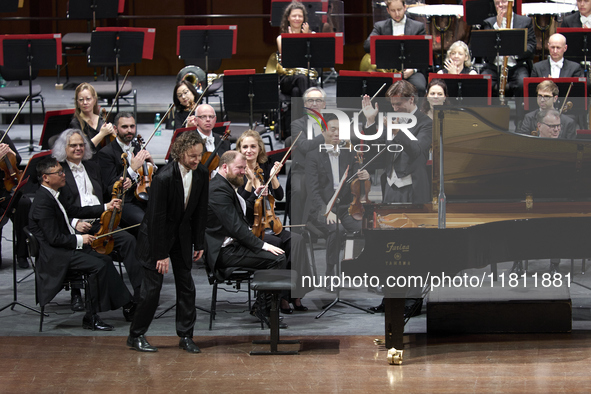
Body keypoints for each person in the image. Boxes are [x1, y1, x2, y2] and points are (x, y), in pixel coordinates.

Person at [28, 157, 132, 331]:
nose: (63, 175)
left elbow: (76, 211)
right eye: (59, 172)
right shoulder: (42, 203)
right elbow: (54, 239)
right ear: (46, 177)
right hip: (55, 255)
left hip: (64, 248)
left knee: (104, 259)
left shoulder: (53, 195)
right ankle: (92, 317)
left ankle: (127, 304)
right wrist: (80, 239)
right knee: (97, 266)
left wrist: (105, 206)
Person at [128, 131, 209, 353]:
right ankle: (136, 335)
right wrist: (160, 254)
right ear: (181, 153)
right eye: (192, 156)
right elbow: (156, 219)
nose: (196, 160)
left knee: (187, 286)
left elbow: (200, 211)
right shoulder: (163, 178)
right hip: (156, 237)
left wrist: (199, 242)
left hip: (181, 236)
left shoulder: (201, 173)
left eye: (199, 155)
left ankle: (186, 335)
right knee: (151, 290)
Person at [52, 128, 144, 316]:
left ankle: (142, 295)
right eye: (73, 145)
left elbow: (105, 191)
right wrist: (73, 222)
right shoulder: (57, 171)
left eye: (81, 145)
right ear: (64, 148)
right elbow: (54, 205)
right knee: (101, 259)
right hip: (77, 227)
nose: (78, 148)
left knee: (128, 241)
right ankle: (121, 303)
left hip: (101, 221)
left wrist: (125, 181)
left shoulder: (92, 166)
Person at [205, 151, 287, 327]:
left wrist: (255, 194)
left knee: (279, 245)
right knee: (277, 258)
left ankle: (264, 305)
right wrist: (262, 245)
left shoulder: (225, 184)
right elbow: (235, 227)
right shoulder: (218, 189)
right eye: (240, 168)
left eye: (244, 168)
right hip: (224, 251)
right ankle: (264, 310)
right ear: (225, 167)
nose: (244, 171)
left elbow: (239, 217)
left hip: (234, 243)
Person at [236, 130, 311, 313]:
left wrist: (274, 176)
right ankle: (281, 298)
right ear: (239, 149)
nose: (249, 150)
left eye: (253, 146)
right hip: (249, 229)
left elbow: (279, 196)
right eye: (245, 147)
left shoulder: (264, 169)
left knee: (298, 241)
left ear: (259, 148)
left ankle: (295, 294)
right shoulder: (236, 171)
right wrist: (249, 181)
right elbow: (240, 207)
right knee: (279, 244)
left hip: (269, 224)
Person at [303, 113, 370, 278]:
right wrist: (327, 210)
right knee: (337, 230)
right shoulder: (313, 156)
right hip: (321, 209)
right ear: (324, 132)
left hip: (345, 208)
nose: (337, 133)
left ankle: (365, 271)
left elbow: (357, 180)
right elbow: (313, 191)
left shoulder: (349, 153)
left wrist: (365, 176)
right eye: (333, 129)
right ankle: (330, 273)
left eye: (340, 130)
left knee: (367, 228)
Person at [511, 109, 565, 276]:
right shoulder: (527, 147)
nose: (556, 130)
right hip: (529, 194)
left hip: (556, 196)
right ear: (539, 126)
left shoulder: (566, 148)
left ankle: (555, 263)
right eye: (552, 126)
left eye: (558, 126)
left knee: (559, 220)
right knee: (517, 219)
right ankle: (518, 261)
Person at [362, 80, 432, 203]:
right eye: (393, 104)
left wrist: (397, 132)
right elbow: (377, 146)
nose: (395, 108)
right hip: (390, 185)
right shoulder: (392, 119)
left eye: (398, 104)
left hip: (413, 188)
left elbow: (416, 151)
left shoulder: (426, 123)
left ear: (411, 99)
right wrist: (370, 121)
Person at [97, 112, 154, 230]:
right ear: (115, 129)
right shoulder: (106, 153)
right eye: (124, 127)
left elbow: (147, 176)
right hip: (124, 202)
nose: (129, 130)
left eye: (132, 126)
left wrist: (151, 163)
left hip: (143, 196)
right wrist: (132, 169)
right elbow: (110, 187)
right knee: (146, 225)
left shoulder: (137, 146)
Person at [363, 0, 427, 95]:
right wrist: (393, 41)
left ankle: (416, 110)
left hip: (410, 70)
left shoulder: (418, 27)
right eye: (393, 10)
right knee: (373, 86)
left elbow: (424, 53)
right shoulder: (380, 26)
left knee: (420, 87)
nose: (397, 13)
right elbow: (367, 46)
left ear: (405, 8)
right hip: (387, 71)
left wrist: (413, 70)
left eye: (399, 9)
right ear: (388, 10)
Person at [481, 0, 536, 107]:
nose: (500, 5)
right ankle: (488, 118)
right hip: (494, 67)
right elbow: (486, 49)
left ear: (512, 3)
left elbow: (531, 46)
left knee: (522, 83)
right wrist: (497, 26)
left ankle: (520, 120)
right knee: (483, 83)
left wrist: (514, 51)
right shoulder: (489, 23)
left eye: (503, 1)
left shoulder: (525, 22)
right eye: (497, 3)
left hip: (517, 66)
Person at [288, 87, 329, 225]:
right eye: (310, 100)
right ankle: (298, 230)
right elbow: (304, 146)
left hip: (325, 169)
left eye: (318, 100)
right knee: (299, 191)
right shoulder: (297, 124)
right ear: (305, 104)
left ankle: (330, 227)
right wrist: (324, 136)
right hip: (303, 169)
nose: (314, 104)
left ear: (324, 104)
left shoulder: (331, 124)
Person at [0, 136, 31, 269]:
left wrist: (12, 154)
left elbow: (17, 160)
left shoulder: (1, 135)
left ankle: (22, 254)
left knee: (24, 204)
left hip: (6, 189)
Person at [276, 1, 317, 98]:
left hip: (306, 75)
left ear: (304, 18)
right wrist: (292, 40)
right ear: (288, 18)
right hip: (288, 78)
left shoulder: (312, 36)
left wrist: (307, 37)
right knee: (302, 79)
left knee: (296, 90)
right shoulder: (281, 38)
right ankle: (311, 111)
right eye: (294, 16)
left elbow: (310, 62)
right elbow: (290, 62)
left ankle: (297, 112)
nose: (297, 19)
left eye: (300, 16)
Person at [186, 104, 231, 176]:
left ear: (215, 119)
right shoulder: (189, 141)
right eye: (203, 117)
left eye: (211, 117)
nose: (208, 120)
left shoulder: (224, 141)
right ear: (196, 120)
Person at [70, 82, 117, 151]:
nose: (85, 102)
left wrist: (113, 134)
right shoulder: (75, 123)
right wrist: (102, 134)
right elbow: (83, 149)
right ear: (77, 103)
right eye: (81, 100)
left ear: (94, 100)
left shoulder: (101, 120)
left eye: (88, 99)